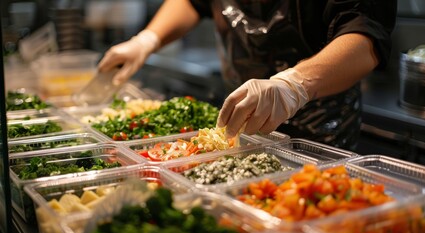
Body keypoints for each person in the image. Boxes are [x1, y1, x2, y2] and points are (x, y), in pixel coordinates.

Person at [98, 0, 397, 150]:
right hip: (238, 124)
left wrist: (294, 85)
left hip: (321, 129)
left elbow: (366, 33)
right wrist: (148, 39)